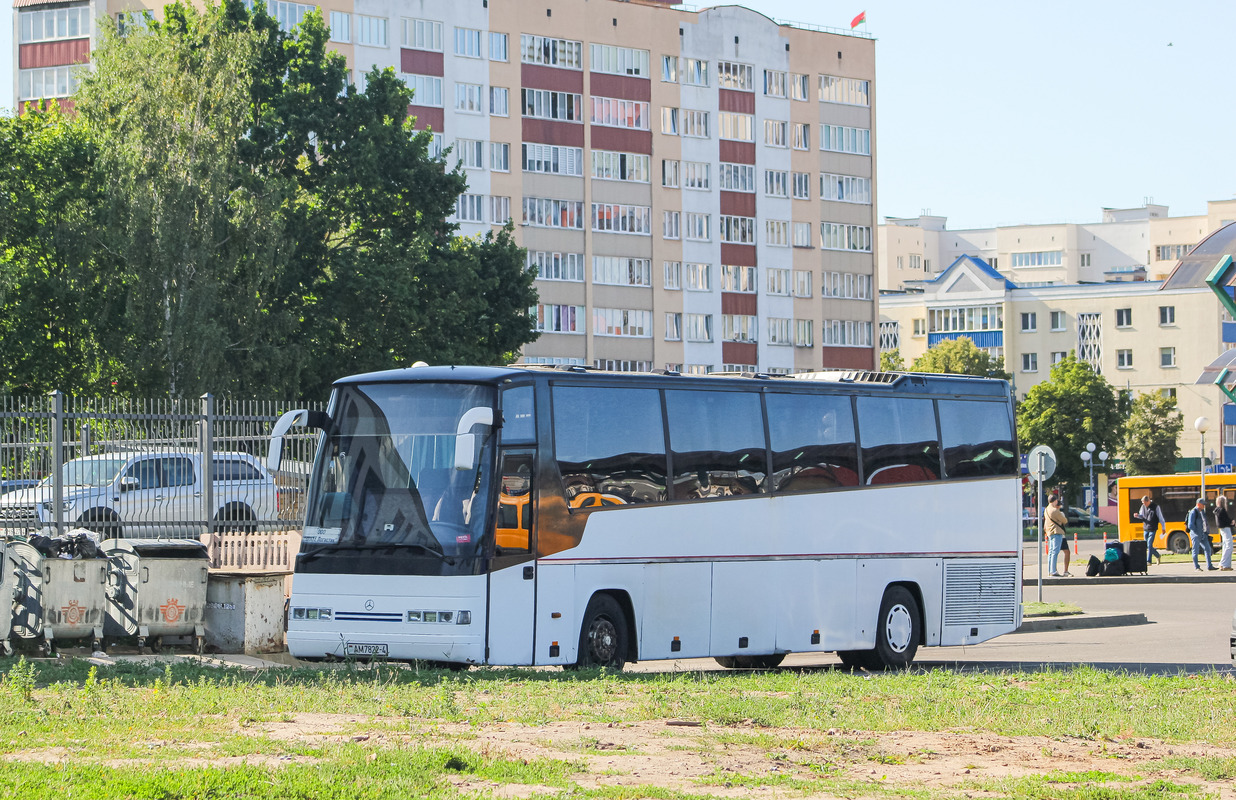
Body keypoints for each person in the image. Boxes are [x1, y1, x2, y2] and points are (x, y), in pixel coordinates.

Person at [1186, 497, 1217, 572]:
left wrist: (1206, 531)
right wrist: (1197, 532)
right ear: (1199, 504)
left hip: (1204, 534)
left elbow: (1204, 522)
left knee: (1208, 549)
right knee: (1195, 550)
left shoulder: (1202, 512)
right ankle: (1196, 567)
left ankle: (1209, 566)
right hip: (1196, 535)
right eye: (1203, 504)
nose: (1204, 506)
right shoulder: (1193, 512)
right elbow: (1190, 525)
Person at [1045, 495, 1070, 577]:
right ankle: (1053, 571)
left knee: (1051, 552)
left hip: (1050, 532)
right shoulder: (1055, 511)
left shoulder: (1046, 509)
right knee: (1055, 552)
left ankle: (1050, 570)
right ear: (1055, 501)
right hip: (1056, 532)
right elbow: (1064, 520)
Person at [1135, 495, 1164, 566]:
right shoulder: (1143, 507)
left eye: (1144, 503)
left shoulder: (1156, 507)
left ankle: (1149, 561)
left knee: (1149, 543)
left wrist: (1163, 527)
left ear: (1148, 501)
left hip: (1153, 528)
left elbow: (1161, 518)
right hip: (1145, 528)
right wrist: (1137, 515)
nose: (1143, 504)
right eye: (1143, 503)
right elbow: (1142, 515)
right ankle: (1157, 555)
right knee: (1147, 545)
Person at [1215, 495, 1234, 571]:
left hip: (1222, 529)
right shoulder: (1222, 510)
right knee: (1229, 546)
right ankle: (1223, 563)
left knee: (1225, 546)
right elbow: (1226, 520)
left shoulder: (1217, 510)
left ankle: (1227, 565)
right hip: (1226, 529)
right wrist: (1231, 522)